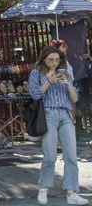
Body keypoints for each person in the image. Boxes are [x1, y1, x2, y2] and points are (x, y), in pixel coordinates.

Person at [30, 46, 88, 205]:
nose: (54, 63)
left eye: (57, 60)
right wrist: (49, 81)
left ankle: (71, 193)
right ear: (43, 60)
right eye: (51, 60)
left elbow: (75, 99)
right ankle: (43, 188)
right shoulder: (36, 74)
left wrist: (67, 84)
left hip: (66, 115)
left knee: (71, 156)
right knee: (50, 155)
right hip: (48, 115)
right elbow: (35, 95)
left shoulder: (65, 74)